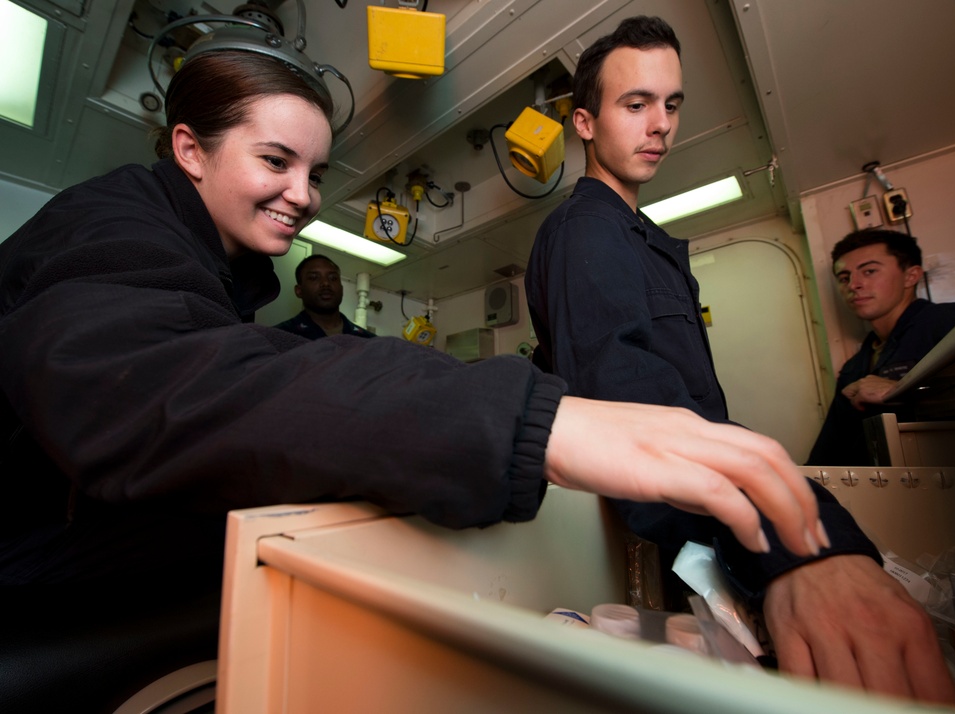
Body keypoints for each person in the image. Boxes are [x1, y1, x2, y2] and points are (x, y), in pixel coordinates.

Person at [0, 43, 827, 701]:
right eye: (276, 161)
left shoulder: (205, 267)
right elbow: (152, 389)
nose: (304, 195)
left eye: (316, 173)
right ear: (189, 148)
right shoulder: (109, 223)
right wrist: (535, 422)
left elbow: (266, 367)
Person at [524, 16, 955, 704]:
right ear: (584, 122)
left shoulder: (641, 239)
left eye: (671, 104)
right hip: (683, 537)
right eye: (635, 104)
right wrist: (787, 549)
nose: (660, 123)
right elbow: (641, 412)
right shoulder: (586, 232)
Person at [807, 229, 955, 465]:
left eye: (869, 271)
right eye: (844, 278)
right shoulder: (853, 369)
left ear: (911, 276)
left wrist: (903, 391)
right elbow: (830, 452)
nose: (853, 285)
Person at [273, 254, 375, 339]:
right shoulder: (278, 336)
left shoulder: (368, 341)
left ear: (342, 289)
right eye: (314, 278)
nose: (326, 283)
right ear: (299, 291)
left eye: (333, 278)